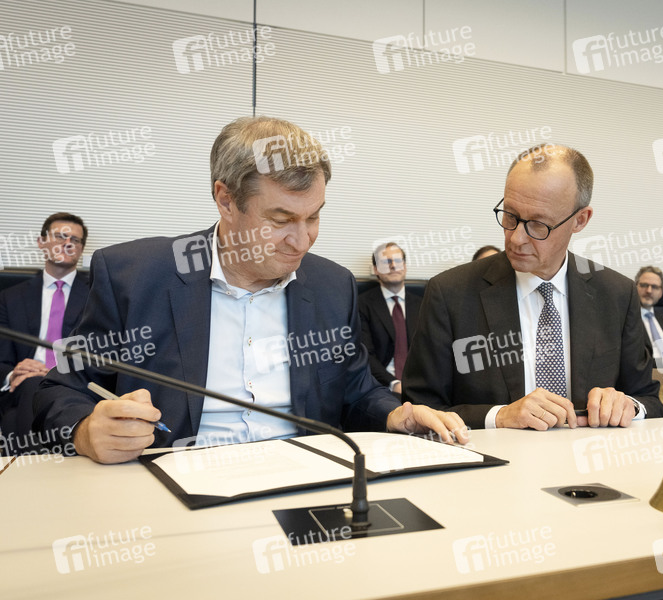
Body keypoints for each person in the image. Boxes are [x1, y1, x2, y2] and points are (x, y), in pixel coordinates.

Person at [34, 116, 466, 464]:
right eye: (280, 220)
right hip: (175, 485)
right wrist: (85, 430)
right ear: (226, 200)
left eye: (313, 216)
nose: (302, 241)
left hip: (306, 484)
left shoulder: (332, 286)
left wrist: (396, 415)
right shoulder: (135, 276)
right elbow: (60, 390)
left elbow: (357, 393)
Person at [403, 144, 663, 430]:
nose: (516, 238)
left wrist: (628, 406)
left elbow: (650, 400)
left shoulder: (616, 295)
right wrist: (499, 416)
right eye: (510, 216)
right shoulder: (450, 293)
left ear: (580, 220)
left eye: (538, 224)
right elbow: (419, 409)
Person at [0, 213, 89, 453]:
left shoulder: (96, 295)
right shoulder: (11, 297)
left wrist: (55, 371)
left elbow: (101, 350)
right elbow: (2, 359)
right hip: (24, 383)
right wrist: (13, 373)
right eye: (60, 236)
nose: (68, 243)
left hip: (72, 381)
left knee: (12, 420)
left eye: (75, 240)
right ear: (41, 242)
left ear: (81, 249)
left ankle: (31, 468)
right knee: (31, 383)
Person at [358, 242, 422, 395]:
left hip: (420, 383)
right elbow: (365, 354)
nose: (393, 266)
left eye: (398, 261)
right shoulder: (362, 304)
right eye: (386, 262)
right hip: (381, 386)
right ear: (376, 270)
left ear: (404, 266)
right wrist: (394, 384)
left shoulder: (423, 304)